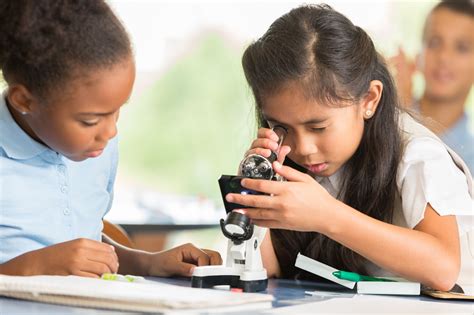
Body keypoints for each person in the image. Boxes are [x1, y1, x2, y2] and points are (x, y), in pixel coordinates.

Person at [226, 4, 473, 291]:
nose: (303, 147)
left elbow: (442, 268)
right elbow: (269, 268)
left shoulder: (417, 154)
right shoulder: (291, 159)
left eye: (318, 127)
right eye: (281, 127)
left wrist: (326, 215)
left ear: (369, 99)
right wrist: (257, 188)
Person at [0, 0, 221, 277]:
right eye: (90, 121)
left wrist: (147, 262)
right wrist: (32, 267)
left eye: (117, 112)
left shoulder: (97, 150)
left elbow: (85, 244)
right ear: (25, 100)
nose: (110, 132)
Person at [390, 0, 474, 173]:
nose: (443, 57)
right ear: (419, 54)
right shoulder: (386, 112)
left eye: (461, 48)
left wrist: (404, 117)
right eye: (435, 42)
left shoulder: (470, 160)